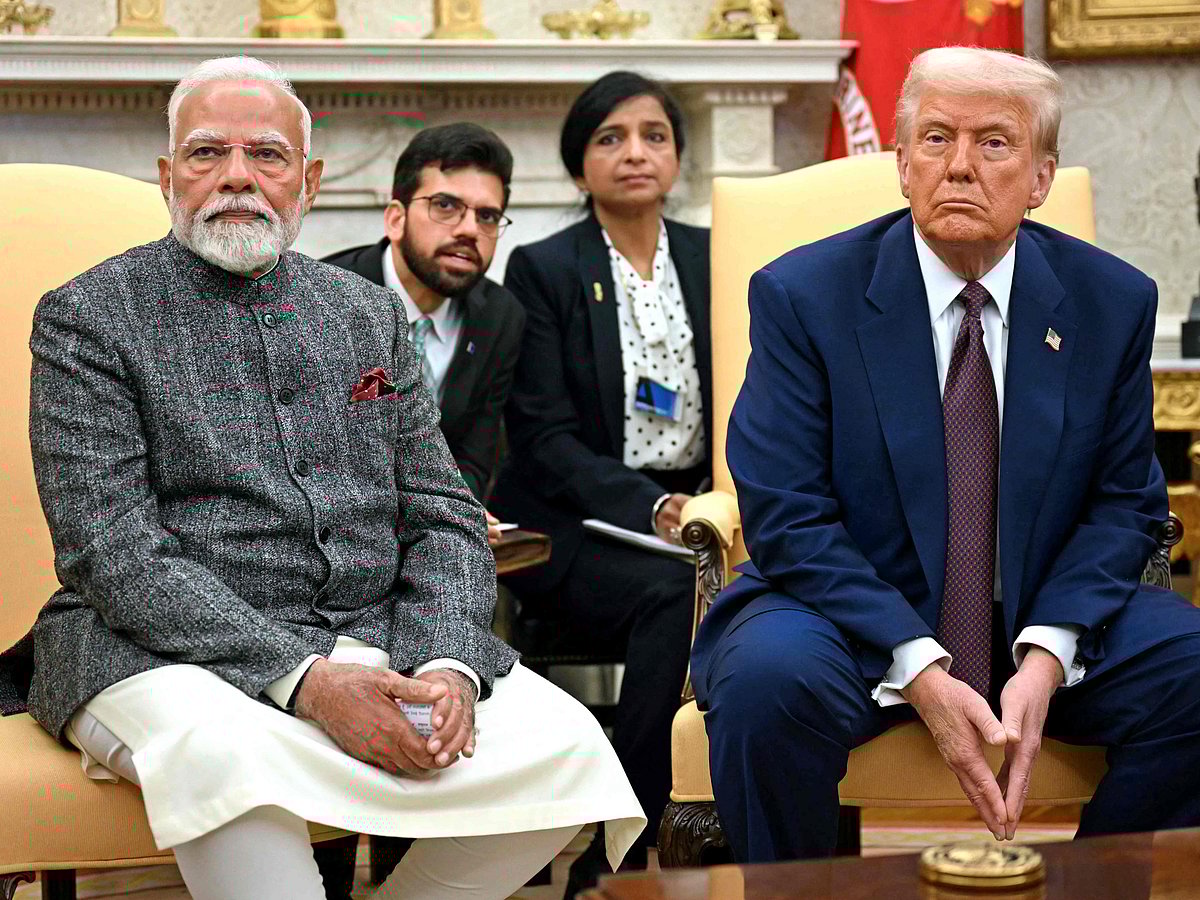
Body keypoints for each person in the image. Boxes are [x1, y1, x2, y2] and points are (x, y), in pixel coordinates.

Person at [5, 55, 644, 900]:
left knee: (565, 749)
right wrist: (305, 679)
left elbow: (445, 514)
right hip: (147, 650)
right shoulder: (89, 316)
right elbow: (113, 554)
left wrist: (448, 662)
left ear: (306, 180)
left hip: (363, 626)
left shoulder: (364, 313)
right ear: (168, 177)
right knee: (227, 766)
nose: (237, 177)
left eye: (266, 155)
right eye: (206, 154)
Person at [691, 46, 1200, 863]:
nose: (959, 166)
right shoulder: (803, 294)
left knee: (1192, 670)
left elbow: (1124, 504)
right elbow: (786, 510)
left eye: (994, 143)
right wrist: (919, 664)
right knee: (764, 685)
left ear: (1040, 178)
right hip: (844, 618)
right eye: (935, 139)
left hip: (1035, 612)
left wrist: (1046, 655)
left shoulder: (1111, 300)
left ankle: (1091, 885)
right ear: (901, 164)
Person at [489, 71, 711, 896]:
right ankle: (630, 825)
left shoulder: (709, 255)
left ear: (678, 156)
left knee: (737, 576)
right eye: (609, 138)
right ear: (580, 166)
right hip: (572, 518)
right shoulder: (545, 268)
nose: (635, 153)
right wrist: (649, 507)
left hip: (700, 507)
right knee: (674, 590)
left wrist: (712, 501)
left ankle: (733, 816)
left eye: (654, 135)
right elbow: (542, 437)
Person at [323, 123, 524, 541]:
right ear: (396, 219)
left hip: (438, 536)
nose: (469, 229)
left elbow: (474, 456)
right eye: (446, 206)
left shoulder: (500, 316)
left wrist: (457, 511)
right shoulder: (326, 298)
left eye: (487, 216)